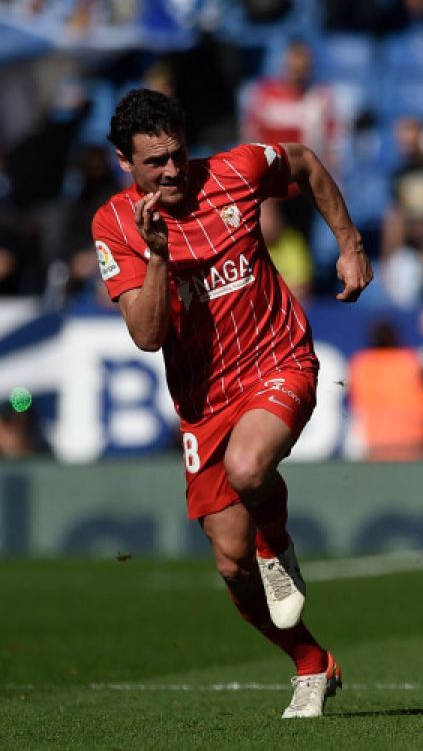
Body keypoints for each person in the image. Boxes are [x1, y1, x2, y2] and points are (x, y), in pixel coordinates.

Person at [91, 89, 373, 718]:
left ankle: (279, 542)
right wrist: (159, 255)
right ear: (123, 162)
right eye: (153, 163)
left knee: (249, 468)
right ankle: (310, 663)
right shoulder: (114, 225)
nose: (170, 170)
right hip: (203, 401)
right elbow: (147, 335)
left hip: (280, 359)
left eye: (176, 154)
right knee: (230, 563)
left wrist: (349, 241)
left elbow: (301, 161)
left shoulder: (235, 171)